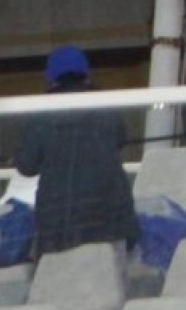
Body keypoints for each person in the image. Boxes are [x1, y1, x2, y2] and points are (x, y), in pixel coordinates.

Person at [13, 45, 140, 257]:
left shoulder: (40, 115)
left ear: (51, 79)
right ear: (86, 75)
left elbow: (27, 166)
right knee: (111, 276)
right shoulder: (107, 108)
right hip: (112, 219)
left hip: (59, 224)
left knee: (62, 277)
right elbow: (119, 140)